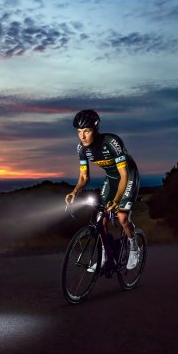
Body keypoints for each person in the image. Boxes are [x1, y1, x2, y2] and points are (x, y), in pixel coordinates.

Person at [65, 109, 141, 269]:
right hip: (112, 178)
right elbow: (84, 177)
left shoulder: (112, 142)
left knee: (122, 218)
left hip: (128, 176)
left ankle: (134, 247)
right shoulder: (81, 149)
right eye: (79, 132)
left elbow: (124, 175)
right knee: (102, 220)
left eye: (87, 131)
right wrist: (74, 192)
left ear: (96, 129)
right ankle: (105, 257)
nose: (82, 136)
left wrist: (116, 200)